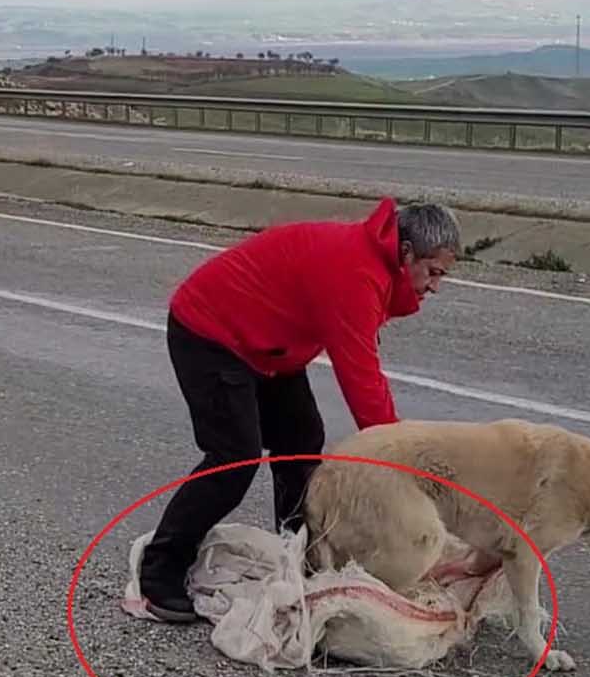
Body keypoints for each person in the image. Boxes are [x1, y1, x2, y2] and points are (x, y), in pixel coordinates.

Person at [137, 197, 462, 623]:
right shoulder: (357, 272)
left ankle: (295, 555)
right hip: (210, 331)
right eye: (433, 272)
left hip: (270, 346)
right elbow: (362, 379)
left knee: (302, 441)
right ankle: (160, 572)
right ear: (405, 254)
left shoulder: (374, 263)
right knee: (235, 457)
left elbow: (363, 365)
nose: (435, 286)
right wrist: (401, 458)